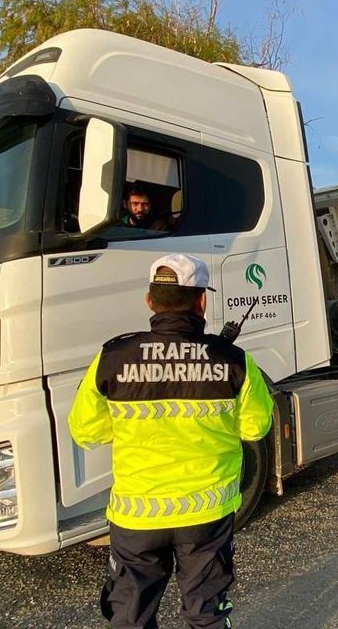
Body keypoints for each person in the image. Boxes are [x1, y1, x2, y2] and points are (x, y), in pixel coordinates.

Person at [69, 253, 273, 629]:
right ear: (202, 301)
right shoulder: (235, 361)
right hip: (206, 515)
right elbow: (255, 429)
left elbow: (86, 431)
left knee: (130, 616)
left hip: (136, 516)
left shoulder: (112, 357)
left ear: (150, 301)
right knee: (206, 613)